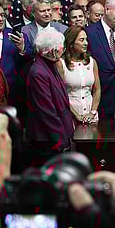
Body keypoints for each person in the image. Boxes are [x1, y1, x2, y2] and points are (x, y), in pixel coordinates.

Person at [26, 28, 74, 157]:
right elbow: (47, 111)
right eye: (61, 48)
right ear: (53, 51)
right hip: (49, 141)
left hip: (55, 138)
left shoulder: (50, 66)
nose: (63, 51)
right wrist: (62, 142)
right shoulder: (39, 73)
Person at [58, 25, 101, 124]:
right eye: (81, 40)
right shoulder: (61, 63)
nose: (86, 43)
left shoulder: (91, 62)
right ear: (71, 43)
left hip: (91, 116)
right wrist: (76, 115)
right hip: (70, 116)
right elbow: (61, 94)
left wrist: (92, 112)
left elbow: (97, 90)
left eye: (86, 39)